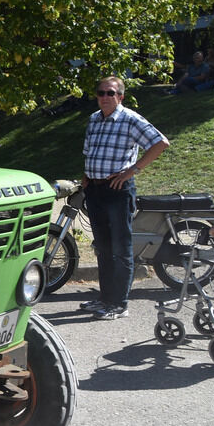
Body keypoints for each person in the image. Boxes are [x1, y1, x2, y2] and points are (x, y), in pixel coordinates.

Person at [80, 76, 169, 320]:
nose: (105, 97)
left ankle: (119, 304)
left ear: (120, 96)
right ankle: (104, 299)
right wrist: (86, 176)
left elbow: (160, 143)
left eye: (110, 93)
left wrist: (133, 170)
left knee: (121, 249)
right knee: (103, 247)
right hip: (95, 190)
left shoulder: (130, 119)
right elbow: (89, 151)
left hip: (118, 190)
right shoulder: (94, 119)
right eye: (100, 93)